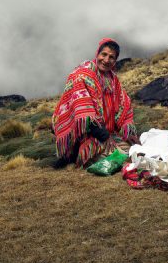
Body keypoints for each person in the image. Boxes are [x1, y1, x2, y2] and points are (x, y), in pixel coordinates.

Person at [52, 38, 139, 168]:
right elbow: (86, 117)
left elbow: (123, 105)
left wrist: (129, 134)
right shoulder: (82, 75)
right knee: (122, 157)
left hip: (105, 132)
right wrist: (105, 137)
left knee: (134, 151)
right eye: (103, 54)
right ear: (97, 54)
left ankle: (106, 149)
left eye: (111, 57)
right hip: (85, 134)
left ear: (115, 61)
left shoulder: (112, 79)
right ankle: (74, 155)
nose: (106, 60)